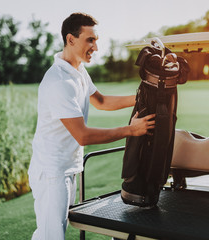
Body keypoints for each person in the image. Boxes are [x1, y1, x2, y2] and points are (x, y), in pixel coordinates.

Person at [27, 12, 156, 240]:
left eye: (96, 40)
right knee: (51, 236)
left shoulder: (78, 72)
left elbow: (102, 101)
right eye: (90, 40)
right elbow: (83, 136)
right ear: (70, 39)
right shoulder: (59, 80)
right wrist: (131, 130)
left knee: (54, 233)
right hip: (52, 172)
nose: (95, 47)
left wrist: (143, 96)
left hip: (67, 169)